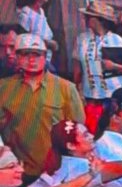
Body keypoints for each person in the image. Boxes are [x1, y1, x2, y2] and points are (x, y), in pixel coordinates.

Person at [0, 33, 85, 179]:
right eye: (25, 54)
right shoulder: (4, 87)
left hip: (57, 173)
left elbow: (78, 129)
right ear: (17, 57)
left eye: (37, 55)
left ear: (45, 57)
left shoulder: (66, 88)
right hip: (18, 172)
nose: (31, 60)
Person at [74, 2, 122, 122]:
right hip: (90, 94)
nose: (86, 19)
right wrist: (77, 88)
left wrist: (114, 66)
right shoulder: (82, 39)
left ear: (99, 20)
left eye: (89, 17)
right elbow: (77, 66)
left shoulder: (117, 40)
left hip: (113, 94)